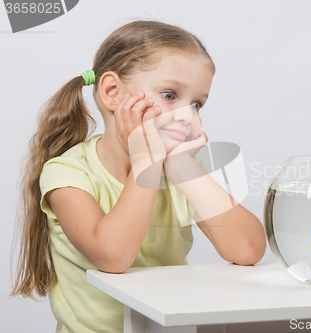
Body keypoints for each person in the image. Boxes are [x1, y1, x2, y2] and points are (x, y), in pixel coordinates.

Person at [11, 19, 267, 333]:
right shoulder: (68, 173)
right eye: (170, 95)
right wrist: (147, 159)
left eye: (197, 104)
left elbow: (248, 249)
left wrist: (181, 168)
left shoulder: (179, 172)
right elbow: (112, 257)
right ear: (112, 92)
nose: (186, 116)